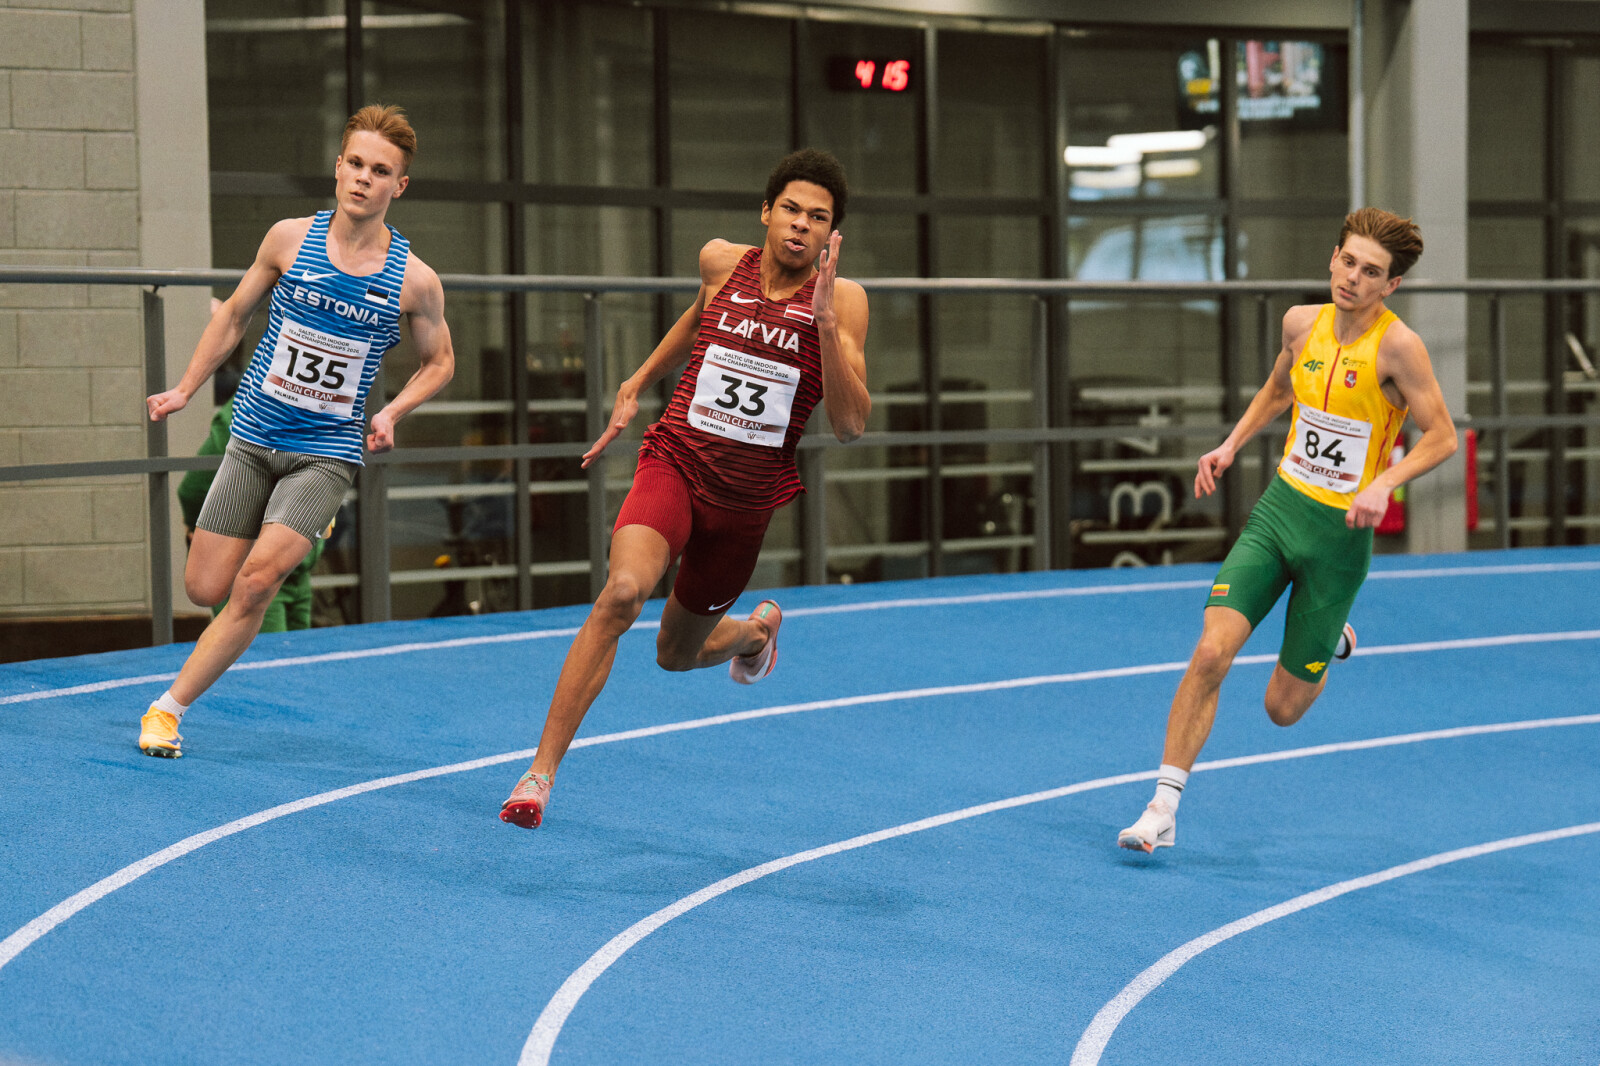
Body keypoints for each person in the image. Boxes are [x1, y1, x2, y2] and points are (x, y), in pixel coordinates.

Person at [500, 149, 871, 828]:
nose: (800, 224)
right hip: (675, 461)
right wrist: (639, 379)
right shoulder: (721, 261)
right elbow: (700, 317)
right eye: (791, 209)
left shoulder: (844, 302)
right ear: (766, 211)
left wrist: (822, 322)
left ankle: (754, 635)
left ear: (831, 235)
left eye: (817, 218)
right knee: (622, 593)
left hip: (744, 504)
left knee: (675, 654)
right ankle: (539, 775)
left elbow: (849, 426)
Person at [1118, 207, 1458, 853]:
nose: (1353, 278)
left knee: (1282, 709)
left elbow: (1442, 436)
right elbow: (1279, 391)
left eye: (1372, 272)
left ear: (1392, 285)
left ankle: (1331, 640)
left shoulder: (1399, 348)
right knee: (1211, 652)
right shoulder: (1301, 323)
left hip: (1339, 539)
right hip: (1279, 512)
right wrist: (1229, 445)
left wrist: (1385, 483)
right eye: (1348, 262)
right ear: (1333, 258)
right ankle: (1162, 807)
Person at [138, 104, 454, 758]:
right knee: (203, 587)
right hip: (254, 436)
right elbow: (233, 317)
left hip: (325, 453)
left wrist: (392, 412)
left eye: (380, 171)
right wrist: (185, 388)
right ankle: (290, 523)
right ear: (338, 168)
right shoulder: (287, 239)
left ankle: (167, 709)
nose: (364, 178)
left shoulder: (415, 281)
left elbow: (441, 362)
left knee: (256, 583)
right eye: (356, 164)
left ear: (400, 186)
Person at [176, 391, 330, 633]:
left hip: (294, 566)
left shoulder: (323, 408)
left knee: (292, 650)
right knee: (264, 649)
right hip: (258, 569)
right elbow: (193, 489)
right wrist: (214, 539)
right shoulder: (254, 406)